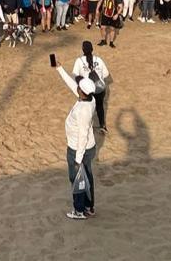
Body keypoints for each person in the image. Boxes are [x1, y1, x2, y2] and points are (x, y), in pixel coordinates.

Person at [55, 56, 97, 220]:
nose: (77, 87)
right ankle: (89, 206)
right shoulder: (89, 98)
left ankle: (79, 210)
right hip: (88, 147)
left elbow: (82, 135)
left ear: (82, 91)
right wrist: (60, 69)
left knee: (77, 179)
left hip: (79, 149)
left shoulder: (82, 111)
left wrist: (77, 159)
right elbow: (73, 86)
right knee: (87, 176)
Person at [72, 41, 110, 133]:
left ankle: (87, 127)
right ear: (92, 49)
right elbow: (106, 74)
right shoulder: (99, 59)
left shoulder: (79, 61)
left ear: (83, 49)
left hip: (87, 90)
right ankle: (102, 125)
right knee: (100, 107)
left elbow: (75, 75)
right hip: (100, 89)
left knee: (87, 108)